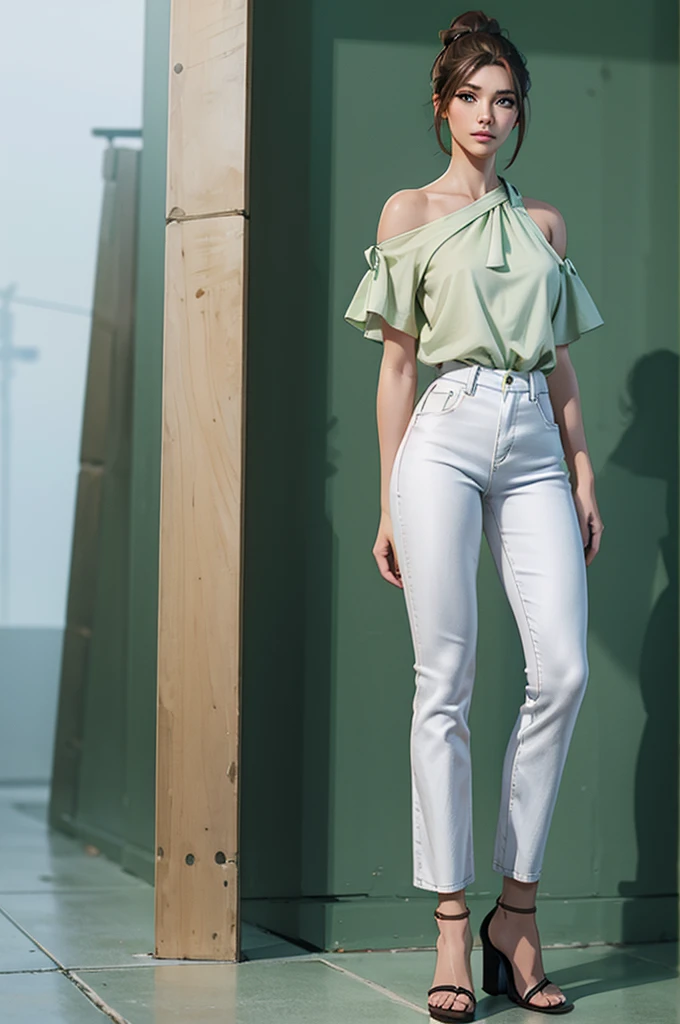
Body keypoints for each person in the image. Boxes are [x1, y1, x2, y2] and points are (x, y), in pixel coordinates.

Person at [343, 10, 605, 1023]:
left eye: (503, 100)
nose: (486, 116)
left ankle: (516, 910)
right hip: (442, 435)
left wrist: (580, 468)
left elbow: (563, 361)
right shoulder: (407, 211)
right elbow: (396, 366)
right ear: (442, 104)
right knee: (441, 679)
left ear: (516, 111)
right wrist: (385, 497)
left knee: (563, 668)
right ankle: (452, 919)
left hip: (532, 434)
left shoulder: (541, 225)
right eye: (469, 98)